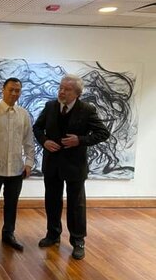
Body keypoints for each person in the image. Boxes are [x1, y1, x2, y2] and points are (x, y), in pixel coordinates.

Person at [33, 74, 110, 260]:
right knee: (52, 201)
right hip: (52, 164)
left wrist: (80, 140)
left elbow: (103, 133)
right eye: (61, 87)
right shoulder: (51, 106)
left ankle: (78, 241)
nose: (61, 91)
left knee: (76, 205)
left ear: (77, 93)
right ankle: (53, 235)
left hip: (75, 166)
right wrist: (44, 141)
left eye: (66, 89)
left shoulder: (87, 109)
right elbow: (37, 128)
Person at [0, 78, 35, 252]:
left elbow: (28, 141)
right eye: (11, 90)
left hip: (16, 168)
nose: (14, 93)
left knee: (12, 203)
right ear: (3, 90)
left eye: (17, 90)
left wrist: (29, 162)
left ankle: (9, 233)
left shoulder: (24, 114)